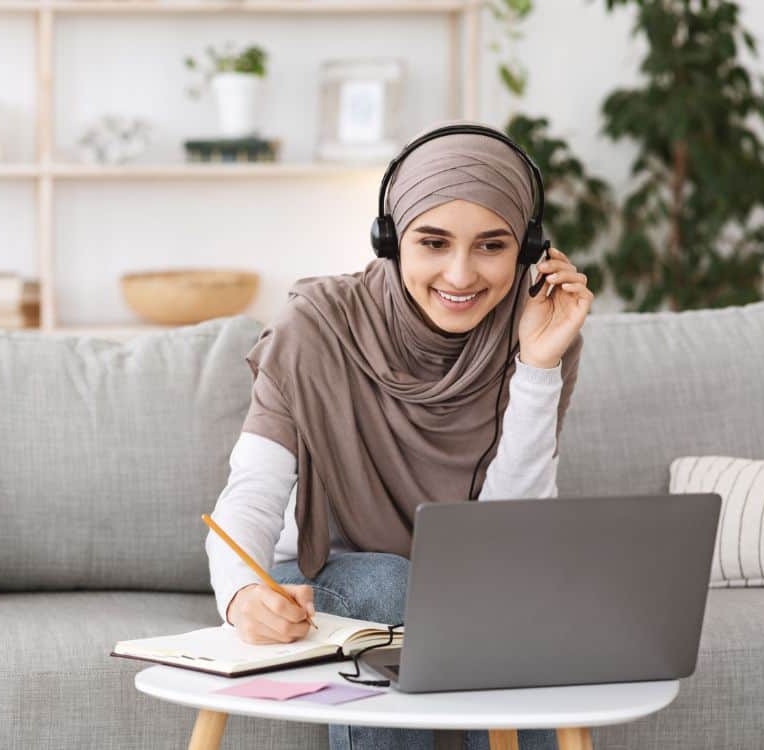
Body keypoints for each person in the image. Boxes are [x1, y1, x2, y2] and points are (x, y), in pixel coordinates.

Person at [205, 119, 593, 750]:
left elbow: (506, 538)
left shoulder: (536, 331)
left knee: (530, 607)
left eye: (492, 246)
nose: (462, 275)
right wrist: (242, 593)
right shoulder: (315, 328)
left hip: (465, 580)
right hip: (329, 570)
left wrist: (538, 364)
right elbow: (252, 490)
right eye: (433, 243)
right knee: (388, 581)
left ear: (527, 249)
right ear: (390, 239)